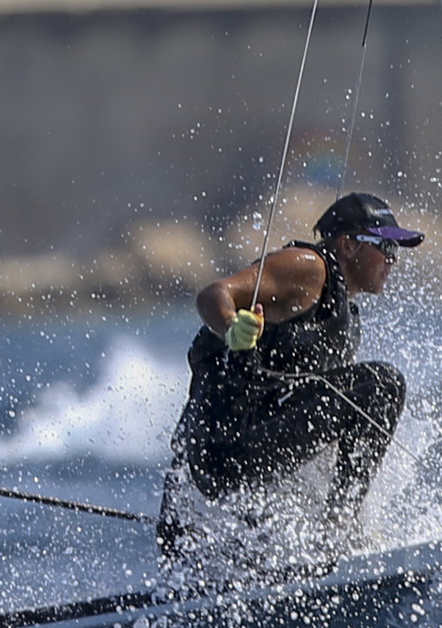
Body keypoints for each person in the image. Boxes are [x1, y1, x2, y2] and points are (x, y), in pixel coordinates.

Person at [156, 192, 424, 578]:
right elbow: (213, 294)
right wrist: (233, 327)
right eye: (384, 246)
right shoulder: (309, 268)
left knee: (362, 403)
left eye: (395, 249)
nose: (392, 260)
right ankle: (339, 534)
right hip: (218, 457)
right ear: (348, 245)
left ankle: (310, 543)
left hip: (222, 488)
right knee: (382, 385)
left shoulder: (344, 315)